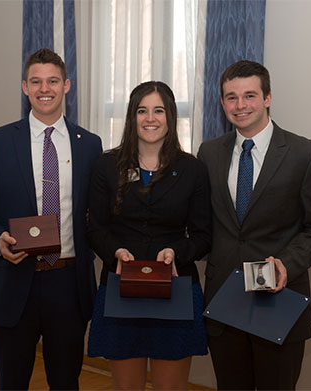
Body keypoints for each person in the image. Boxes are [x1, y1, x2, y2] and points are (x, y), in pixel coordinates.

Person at [0, 48, 102, 390]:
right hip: (14, 281)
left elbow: (98, 214)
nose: (45, 89)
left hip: (69, 285)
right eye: (36, 81)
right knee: (11, 383)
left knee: (66, 382)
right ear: (24, 87)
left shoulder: (90, 145)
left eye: (52, 81)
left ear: (66, 85)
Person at [197, 60, 311, 390]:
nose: (240, 105)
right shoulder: (209, 153)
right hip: (224, 304)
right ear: (222, 102)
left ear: (268, 97)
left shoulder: (305, 154)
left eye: (249, 96)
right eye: (231, 97)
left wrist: (287, 264)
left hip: (278, 301)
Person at [86, 81, 211, 390]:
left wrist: (176, 253)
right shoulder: (106, 165)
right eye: (142, 110)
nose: (150, 118)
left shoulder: (192, 168)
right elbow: (95, 228)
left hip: (175, 287)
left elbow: (203, 234)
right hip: (121, 286)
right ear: (132, 117)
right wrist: (115, 251)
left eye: (159, 110)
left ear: (170, 116)